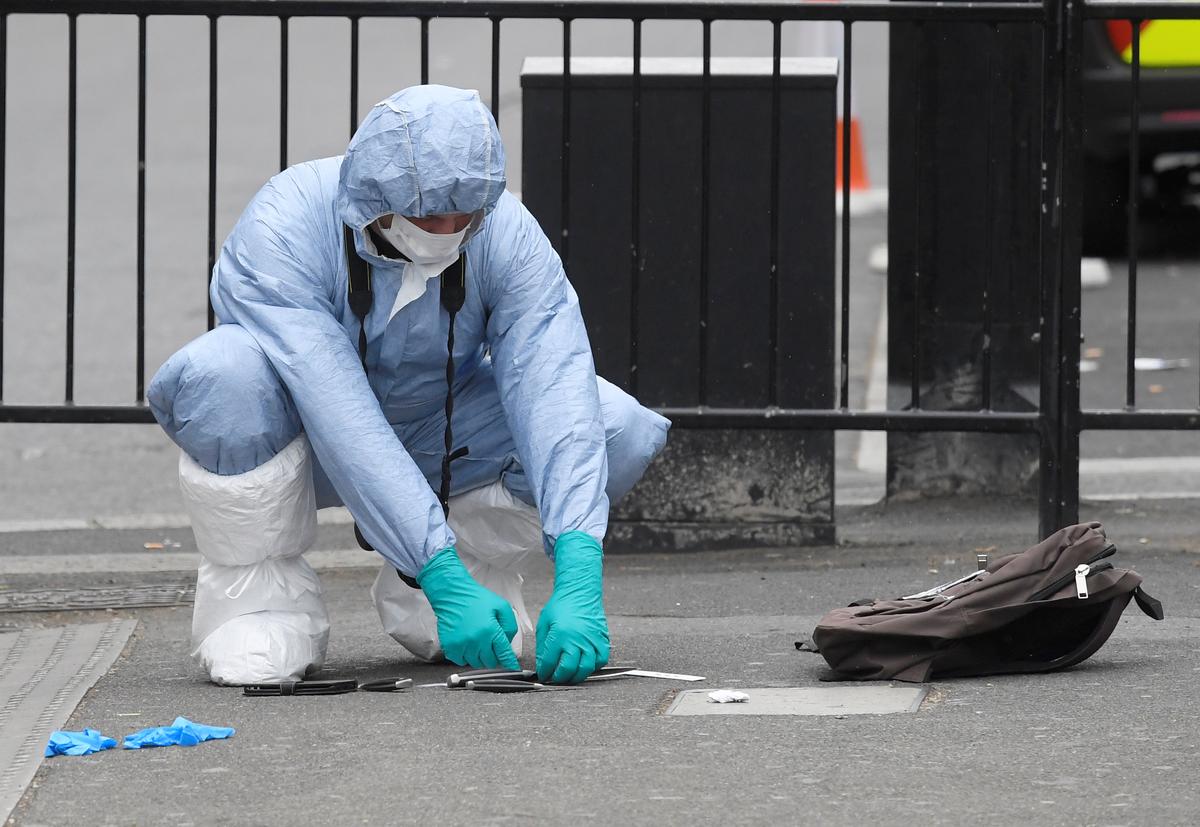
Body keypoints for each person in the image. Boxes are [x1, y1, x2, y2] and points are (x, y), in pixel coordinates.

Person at [148, 85, 670, 687]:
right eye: (427, 215)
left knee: (613, 425)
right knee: (223, 375)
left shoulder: (502, 228)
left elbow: (553, 379)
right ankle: (259, 601)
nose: (447, 231)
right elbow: (336, 407)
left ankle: (464, 570)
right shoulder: (286, 223)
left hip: (440, 435)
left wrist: (579, 567)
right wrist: (436, 567)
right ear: (373, 196)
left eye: (464, 215)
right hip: (302, 437)